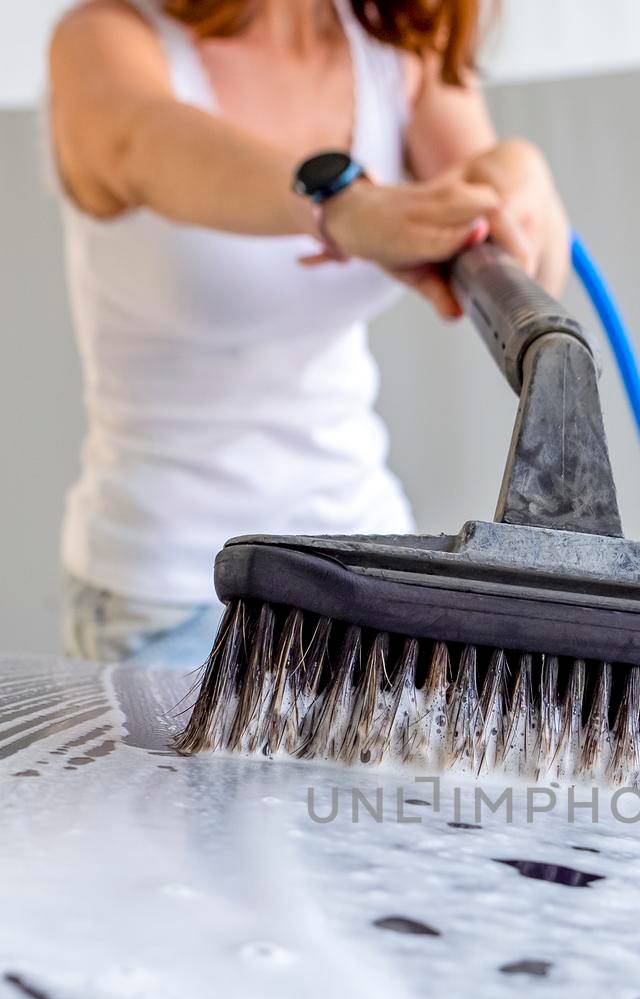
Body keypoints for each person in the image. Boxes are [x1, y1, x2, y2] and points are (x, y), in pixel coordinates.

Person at [48, 0, 569, 666]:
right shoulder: (104, 40)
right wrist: (342, 204)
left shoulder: (397, 46)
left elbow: (505, 238)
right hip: (172, 589)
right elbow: (141, 141)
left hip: (368, 556)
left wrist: (518, 176)